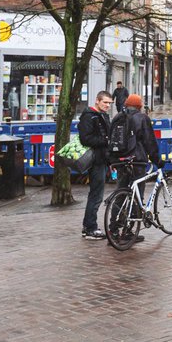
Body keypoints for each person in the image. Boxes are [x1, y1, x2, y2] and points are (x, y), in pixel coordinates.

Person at [77, 90, 113, 240]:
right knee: (96, 194)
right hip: (96, 160)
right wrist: (106, 141)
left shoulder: (102, 116)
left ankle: (89, 226)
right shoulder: (88, 116)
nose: (107, 106)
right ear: (97, 101)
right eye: (105, 102)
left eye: (110, 103)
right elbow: (85, 139)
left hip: (102, 159)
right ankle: (90, 227)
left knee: (97, 193)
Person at [119, 93, 160, 188]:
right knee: (137, 191)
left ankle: (116, 202)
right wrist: (157, 160)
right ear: (139, 106)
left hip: (121, 160)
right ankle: (136, 202)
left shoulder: (119, 117)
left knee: (122, 189)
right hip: (137, 160)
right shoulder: (142, 118)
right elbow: (149, 141)